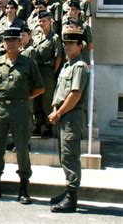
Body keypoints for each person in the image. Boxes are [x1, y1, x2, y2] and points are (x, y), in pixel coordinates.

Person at [0, 27, 45, 204]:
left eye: (14, 40)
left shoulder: (28, 63)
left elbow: (40, 88)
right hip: (0, 109)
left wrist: (24, 97)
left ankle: (24, 188)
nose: (10, 43)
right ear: (3, 42)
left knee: (22, 149)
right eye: (7, 40)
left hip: (21, 109)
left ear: (20, 42)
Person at [48, 27, 89, 213]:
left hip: (71, 115)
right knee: (64, 155)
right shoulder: (67, 65)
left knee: (70, 156)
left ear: (80, 46)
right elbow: (61, 94)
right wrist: (56, 109)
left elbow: (74, 95)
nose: (67, 46)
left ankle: (71, 198)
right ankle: (67, 192)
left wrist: (58, 113)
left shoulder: (79, 66)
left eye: (71, 43)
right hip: (64, 114)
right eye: (65, 43)